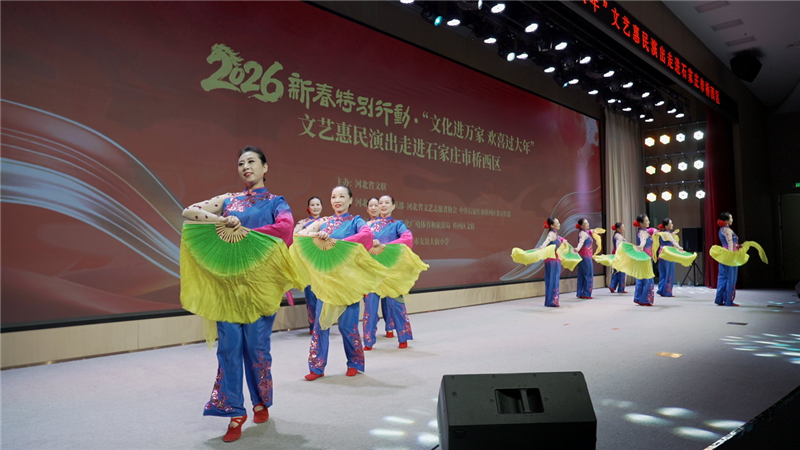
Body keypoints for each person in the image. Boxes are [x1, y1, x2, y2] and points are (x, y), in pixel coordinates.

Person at [182, 146, 294, 442]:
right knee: (229, 349)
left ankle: (260, 401)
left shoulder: (276, 202)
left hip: (260, 287)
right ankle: (234, 411)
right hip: (228, 286)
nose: (246, 167)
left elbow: (285, 229)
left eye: (252, 162)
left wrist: (246, 232)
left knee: (257, 348)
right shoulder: (228, 200)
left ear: (265, 167)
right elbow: (189, 211)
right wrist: (221, 220)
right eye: (241, 163)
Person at [298, 186, 373, 380]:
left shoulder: (356, 221)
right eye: (333, 196)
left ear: (350, 200)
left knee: (347, 326)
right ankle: (317, 367)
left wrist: (337, 243)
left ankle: (354, 362)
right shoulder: (324, 222)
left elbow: (366, 235)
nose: (337, 200)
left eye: (342, 196)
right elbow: (300, 234)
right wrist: (317, 235)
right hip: (326, 280)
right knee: (321, 325)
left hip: (347, 280)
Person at [363, 195, 414, 350]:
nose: (383, 205)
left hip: (391, 271)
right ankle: (368, 341)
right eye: (381, 203)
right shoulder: (368, 225)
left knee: (396, 304)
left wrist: (386, 246)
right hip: (373, 271)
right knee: (370, 307)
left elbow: (408, 238)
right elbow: (361, 243)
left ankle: (403, 338)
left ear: (393, 206)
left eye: (387, 203)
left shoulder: (398, 225)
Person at [365, 197, 395, 336]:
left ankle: (390, 326)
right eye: (370, 206)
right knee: (370, 301)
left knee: (388, 299)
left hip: (386, 265)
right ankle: (370, 331)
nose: (373, 208)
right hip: (370, 267)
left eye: (376, 205)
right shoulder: (365, 225)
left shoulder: (390, 225)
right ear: (367, 209)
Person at [294, 196, 324, 333]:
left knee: (323, 295)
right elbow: (295, 236)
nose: (315, 207)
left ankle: (322, 324)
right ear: (308, 207)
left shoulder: (326, 222)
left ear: (321, 207)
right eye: (313, 204)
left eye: (318, 204)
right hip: (308, 263)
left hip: (323, 262)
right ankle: (313, 326)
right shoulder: (303, 223)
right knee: (310, 296)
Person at [535, 218, 566, 307]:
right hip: (553, 261)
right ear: (552, 225)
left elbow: (559, 239)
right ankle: (552, 301)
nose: (559, 224)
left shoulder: (555, 234)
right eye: (557, 223)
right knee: (553, 279)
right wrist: (542, 247)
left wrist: (563, 240)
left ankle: (550, 301)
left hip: (554, 260)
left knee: (552, 279)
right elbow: (547, 241)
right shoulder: (551, 234)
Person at [714, 212, 740, 307]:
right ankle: (729, 300)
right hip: (729, 255)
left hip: (724, 255)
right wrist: (731, 254)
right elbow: (730, 243)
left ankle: (720, 299)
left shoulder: (722, 229)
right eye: (731, 218)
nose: (732, 220)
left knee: (723, 277)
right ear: (726, 221)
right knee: (730, 277)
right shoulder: (727, 230)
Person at [656, 218, 684, 297]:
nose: (672, 225)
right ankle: (667, 292)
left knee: (663, 273)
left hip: (662, 254)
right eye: (670, 224)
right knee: (669, 273)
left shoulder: (662, 233)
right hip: (668, 254)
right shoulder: (667, 234)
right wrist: (679, 247)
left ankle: (661, 290)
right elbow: (673, 241)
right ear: (666, 226)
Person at [633, 214, 655, 306]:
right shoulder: (643, 232)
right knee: (647, 277)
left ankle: (639, 298)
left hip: (645, 256)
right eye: (646, 220)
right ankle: (645, 299)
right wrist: (641, 246)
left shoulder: (644, 231)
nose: (648, 222)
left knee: (641, 277)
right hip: (645, 256)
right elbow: (643, 240)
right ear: (641, 223)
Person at [573, 218, 595, 299]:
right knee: (588, 273)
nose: (587, 224)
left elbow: (591, 231)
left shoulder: (585, 232)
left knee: (582, 273)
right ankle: (586, 293)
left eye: (587, 222)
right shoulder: (583, 234)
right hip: (586, 255)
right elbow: (581, 242)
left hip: (583, 255)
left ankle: (581, 292)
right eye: (585, 223)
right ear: (581, 226)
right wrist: (578, 248)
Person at [608, 222, 628, 293]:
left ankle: (612, 285)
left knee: (616, 271)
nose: (624, 228)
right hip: (619, 254)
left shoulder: (616, 235)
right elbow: (618, 245)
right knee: (622, 271)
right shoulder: (619, 236)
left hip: (616, 253)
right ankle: (621, 288)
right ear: (618, 229)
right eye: (622, 227)